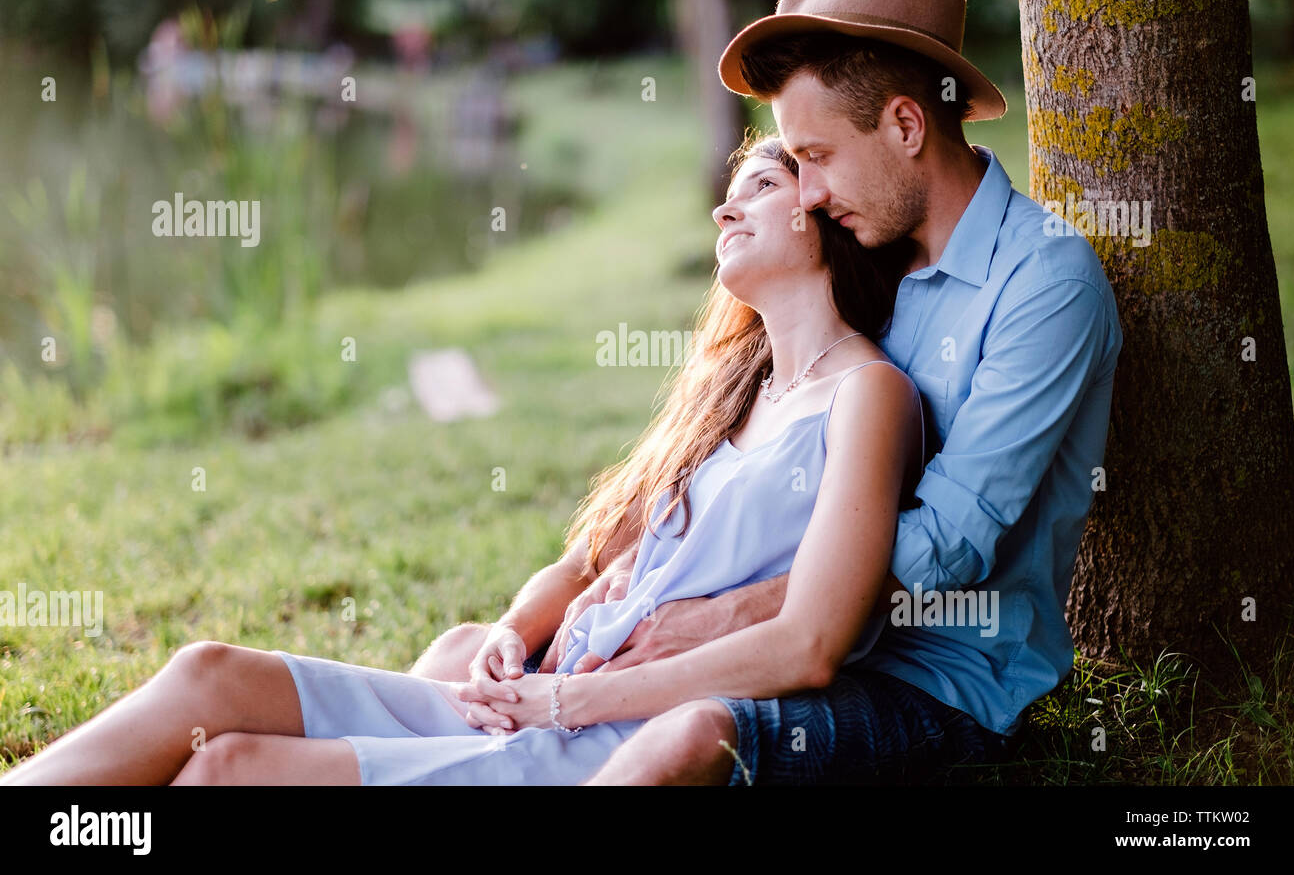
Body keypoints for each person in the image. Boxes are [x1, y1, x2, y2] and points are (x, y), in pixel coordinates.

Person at [0, 131, 927, 785]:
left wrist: (566, 704)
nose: (726, 206)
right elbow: (585, 565)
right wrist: (511, 635)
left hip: (606, 727)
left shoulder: (868, 395)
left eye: (760, 186)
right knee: (208, 674)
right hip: (543, 690)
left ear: (820, 208)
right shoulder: (731, 397)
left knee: (228, 770)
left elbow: (807, 646)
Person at [559, 0, 1124, 785]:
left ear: (906, 126)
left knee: (690, 735)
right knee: (505, 671)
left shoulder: (1043, 283)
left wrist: (724, 613)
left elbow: (949, 545)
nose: (809, 193)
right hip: (781, 639)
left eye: (818, 155)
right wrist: (641, 579)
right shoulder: (869, 254)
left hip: (934, 679)